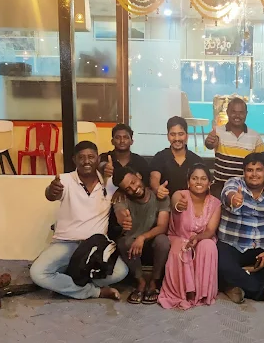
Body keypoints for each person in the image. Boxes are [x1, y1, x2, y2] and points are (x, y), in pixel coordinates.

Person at [29, 141, 128, 301]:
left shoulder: (108, 183)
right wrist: (51, 190)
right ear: (74, 160)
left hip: (95, 247)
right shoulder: (64, 180)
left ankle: (67, 280)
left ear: (98, 159)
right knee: (37, 273)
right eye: (81, 157)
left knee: (121, 272)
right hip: (65, 243)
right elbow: (51, 194)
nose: (86, 161)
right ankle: (94, 291)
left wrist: (121, 201)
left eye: (91, 157)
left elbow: (129, 183)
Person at [217, 153, 264, 309]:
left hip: (263, 246)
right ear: (244, 172)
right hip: (233, 244)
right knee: (220, 262)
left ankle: (235, 283)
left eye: (259, 170)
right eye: (249, 170)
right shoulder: (234, 184)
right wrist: (234, 199)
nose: (254, 174)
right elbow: (227, 194)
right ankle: (263, 291)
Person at [158, 164, 221, 310]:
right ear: (188, 182)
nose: (199, 182)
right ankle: (185, 292)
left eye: (203, 178)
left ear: (209, 183)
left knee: (209, 245)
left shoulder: (215, 203)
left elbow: (210, 230)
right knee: (182, 245)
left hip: (202, 238)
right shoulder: (180, 195)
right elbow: (176, 204)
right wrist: (179, 206)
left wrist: (198, 238)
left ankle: (203, 292)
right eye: (194, 178)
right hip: (179, 237)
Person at [112, 166, 170, 305]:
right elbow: (120, 211)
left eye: (133, 182)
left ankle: (154, 282)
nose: (133, 188)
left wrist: (142, 237)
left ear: (139, 176)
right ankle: (141, 282)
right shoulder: (122, 198)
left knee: (163, 241)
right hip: (132, 241)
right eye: (127, 188)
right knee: (124, 242)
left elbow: (162, 226)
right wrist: (123, 219)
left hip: (152, 237)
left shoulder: (159, 196)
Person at [205, 97, 264, 197]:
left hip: (244, 188)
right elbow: (209, 145)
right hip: (219, 187)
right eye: (233, 112)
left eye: (241, 112)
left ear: (246, 114)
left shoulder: (255, 136)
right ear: (227, 112)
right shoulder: (218, 132)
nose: (237, 116)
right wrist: (209, 142)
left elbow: (262, 160)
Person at [149, 116, 203, 200]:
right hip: (165, 204)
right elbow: (154, 178)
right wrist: (157, 189)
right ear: (167, 136)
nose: (177, 139)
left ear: (187, 136)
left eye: (181, 134)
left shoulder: (197, 160)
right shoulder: (160, 157)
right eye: (173, 134)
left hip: (189, 204)